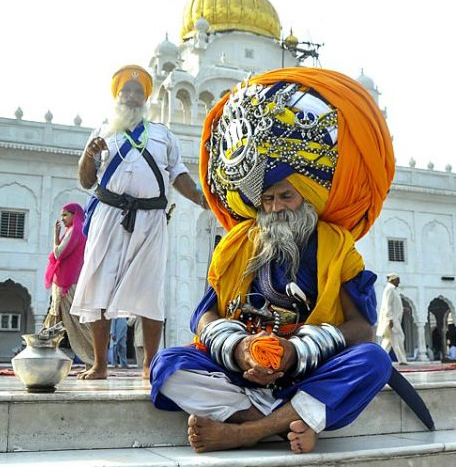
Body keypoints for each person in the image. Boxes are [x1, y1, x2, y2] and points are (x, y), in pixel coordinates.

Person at [149, 68, 433, 454]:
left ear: (306, 195)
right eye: (267, 199)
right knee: (167, 365)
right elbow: (204, 316)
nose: (276, 208)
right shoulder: (237, 245)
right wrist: (240, 347)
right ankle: (278, 423)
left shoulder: (334, 244)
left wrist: (297, 351)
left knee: (373, 360)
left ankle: (245, 431)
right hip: (243, 369)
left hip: (307, 368)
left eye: (286, 196)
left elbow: (361, 329)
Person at [71, 64, 207, 380]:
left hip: (150, 220)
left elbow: (179, 176)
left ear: (145, 99)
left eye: (137, 92)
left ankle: (149, 365)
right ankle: (100, 365)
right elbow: (85, 180)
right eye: (125, 92)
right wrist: (88, 156)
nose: (131, 97)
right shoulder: (102, 132)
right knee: (100, 286)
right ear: (117, 97)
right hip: (108, 216)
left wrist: (204, 200)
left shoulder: (162, 135)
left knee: (149, 290)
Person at [43, 203, 94, 368]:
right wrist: (59, 238)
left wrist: (55, 237)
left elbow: (58, 253)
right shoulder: (73, 231)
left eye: (65, 215)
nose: (62, 219)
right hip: (63, 283)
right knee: (54, 319)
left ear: (74, 215)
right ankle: (44, 356)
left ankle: (93, 360)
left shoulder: (75, 231)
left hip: (68, 285)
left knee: (76, 322)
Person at [377, 273, 408, 364]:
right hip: (392, 320)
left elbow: (394, 305)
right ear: (393, 280)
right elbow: (387, 305)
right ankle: (402, 360)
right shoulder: (389, 289)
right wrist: (389, 319)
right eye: (397, 280)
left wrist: (403, 309)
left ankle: (379, 358)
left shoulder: (392, 290)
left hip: (394, 319)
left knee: (389, 341)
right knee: (398, 338)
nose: (399, 282)